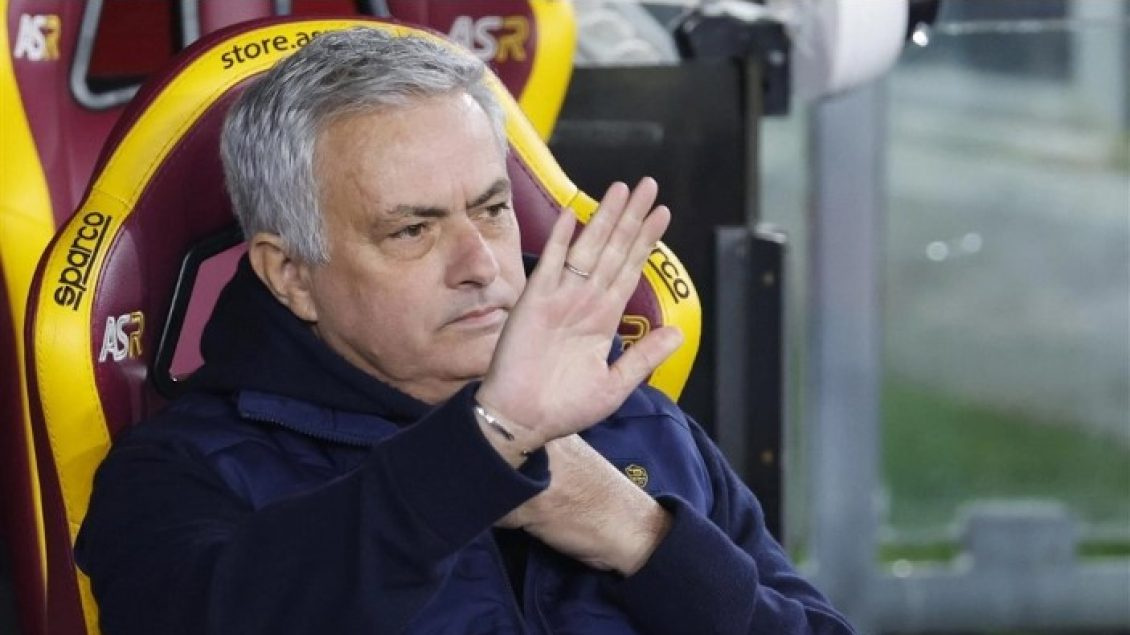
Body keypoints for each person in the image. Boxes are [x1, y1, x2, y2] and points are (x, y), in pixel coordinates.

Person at [76, 26, 855, 635]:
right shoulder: (182, 472)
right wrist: (485, 451)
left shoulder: (640, 422)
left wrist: (640, 533)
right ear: (292, 275)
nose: (482, 264)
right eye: (412, 230)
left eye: (491, 209)